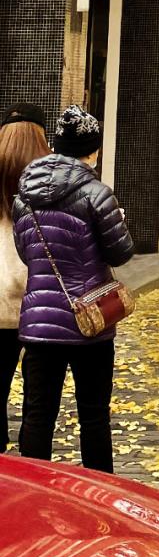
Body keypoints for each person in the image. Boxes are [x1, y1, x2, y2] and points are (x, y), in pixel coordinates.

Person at [14, 105, 134, 474]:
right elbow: (121, 252)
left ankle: (35, 490)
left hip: (39, 324)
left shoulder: (25, 196)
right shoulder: (97, 195)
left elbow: (26, 252)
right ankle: (100, 491)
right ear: (92, 150)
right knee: (94, 416)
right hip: (91, 323)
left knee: (38, 416)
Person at [0, 110, 49, 450]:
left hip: (0, 295)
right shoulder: (50, 175)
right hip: (41, 297)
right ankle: (34, 462)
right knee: (39, 402)